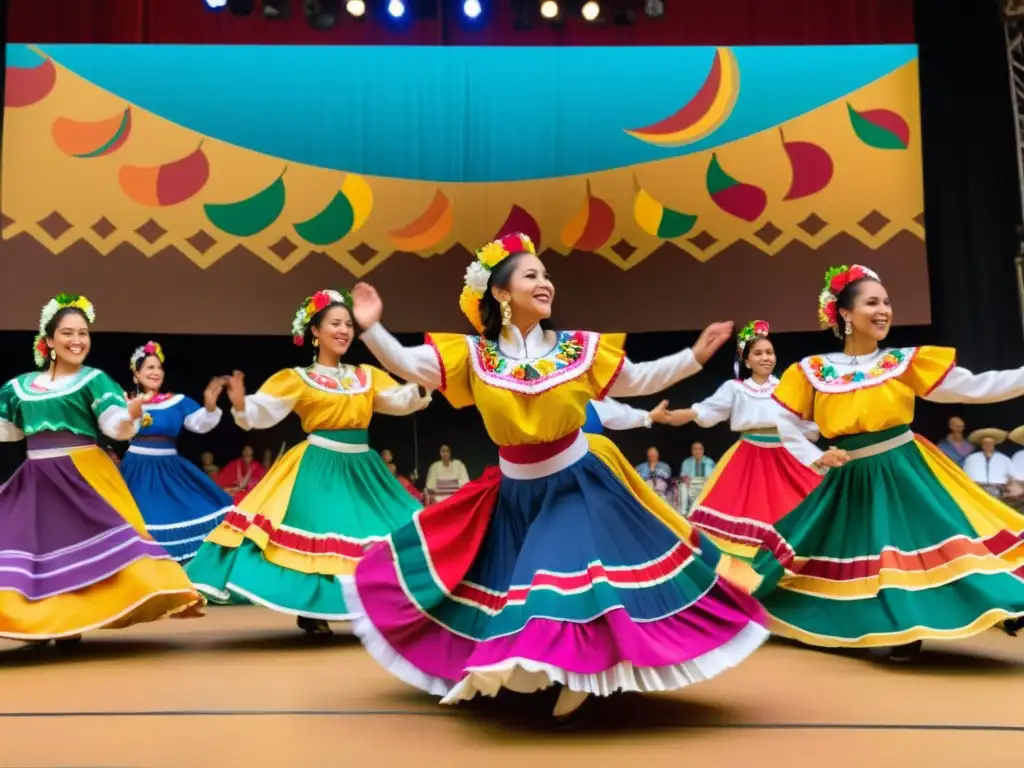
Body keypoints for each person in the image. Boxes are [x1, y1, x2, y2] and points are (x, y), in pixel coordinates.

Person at [344, 232, 766, 720]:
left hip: (576, 485)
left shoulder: (577, 349)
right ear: (501, 293)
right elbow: (409, 365)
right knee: (511, 586)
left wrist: (694, 357)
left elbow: (638, 380)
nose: (545, 283)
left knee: (557, 575)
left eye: (546, 275)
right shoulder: (473, 357)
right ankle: (550, 668)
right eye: (531, 275)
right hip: (515, 494)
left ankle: (581, 673)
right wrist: (373, 331)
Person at [753, 264, 1024, 661]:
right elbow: (787, 425)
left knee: (935, 542)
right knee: (853, 555)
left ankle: (1000, 604)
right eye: (872, 302)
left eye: (887, 302)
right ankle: (894, 626)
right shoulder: (812, 371)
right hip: (851, 478)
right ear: (845, 313)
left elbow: (976, 386)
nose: (884, 310)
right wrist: (816, 455)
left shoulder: (902, 361)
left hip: (904, 470)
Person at [186, 289, 431, 635]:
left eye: (348, 324)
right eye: (335, 323)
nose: (344, 330)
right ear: (315, 331)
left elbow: (402, 399)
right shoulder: (298, 378)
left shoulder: (366, 376)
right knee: (319, 539)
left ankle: (382, 603)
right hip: (319, 468)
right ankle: (314, 608)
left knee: (383, 532)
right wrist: (242, 405)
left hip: (362, 468)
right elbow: (264, 409)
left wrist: (423, 382)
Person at [0, 294, 204, 644]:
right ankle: (39, 621)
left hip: (83, 476)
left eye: (83, 333)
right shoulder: (17, 388)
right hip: (37, 477)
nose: (77, 340)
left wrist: (133, 414)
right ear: (48, 340)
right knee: (39, 552)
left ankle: (69, 623)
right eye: (67, 333)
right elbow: (10, 431)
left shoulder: (94, 380)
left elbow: (115, 427)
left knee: (85, 549)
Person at [659, 320, 822, 561]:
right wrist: (672, 416)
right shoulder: (736, 389)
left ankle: (791, 570)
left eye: (769, 352)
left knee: (799, 510)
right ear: (747, 361)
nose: (765, 357)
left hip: (786, 455)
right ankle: (749, 573)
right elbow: (704, 411)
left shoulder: (787, 388)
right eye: (758, 353)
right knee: (749, 515)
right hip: (749, 457)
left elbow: (805, 424)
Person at [119, 341, 233, 563]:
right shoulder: (127, 403)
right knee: (141, 520)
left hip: (169, 469)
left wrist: (210, 407)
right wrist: (131, 413)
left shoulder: (177, 401)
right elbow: (118, 430)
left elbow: (199, 424)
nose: (155, 372)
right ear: (136, 375)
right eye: (149, 368)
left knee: (189, 509)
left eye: (159, 368)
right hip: (136, 471)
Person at [962, 428, 1014, 498]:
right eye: (985, 443)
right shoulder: (971, 458)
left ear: (994, 444)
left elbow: (1012, 476)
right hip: (976, 489)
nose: (988, 445)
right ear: (981, 445)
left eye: (990, 443)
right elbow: (965, 476)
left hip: (999, 490)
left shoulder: (1004, 459)